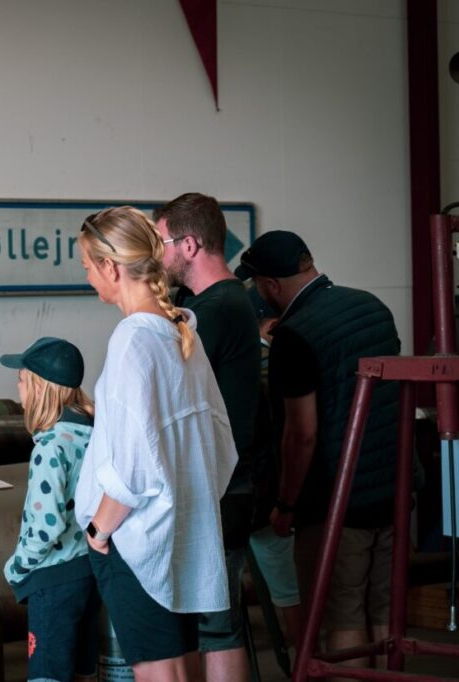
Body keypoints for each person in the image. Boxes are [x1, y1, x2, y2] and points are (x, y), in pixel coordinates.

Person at [74, 206, 238, 681]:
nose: (89, 280)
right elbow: (220, 447)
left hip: (132, 542)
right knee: (182, 669)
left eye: (88, 268)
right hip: (183, 533)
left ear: (111, 267)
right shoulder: (181, 333)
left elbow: (130, 472)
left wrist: (99, 532)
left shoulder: (131, 340)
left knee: (157, 674)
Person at [235, 230, 399, 669]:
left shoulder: (295, 333)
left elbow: (301, 434)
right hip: (395, 491)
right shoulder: (373, 307)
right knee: (385, 614)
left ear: (269, 285)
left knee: (340, 616)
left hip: (337, 501)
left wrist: (286, 504)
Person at [154, 192, 260, 681]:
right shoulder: (222, 302)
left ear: (190, 244)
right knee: (213, 620)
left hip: (220, 488)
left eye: (162, 244)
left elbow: (163, 381)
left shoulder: (213, 311)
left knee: (216, 625)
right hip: (226, 485)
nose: (157, 257)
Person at [0, 336, 100, 682]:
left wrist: (17, 566)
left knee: (48, 673)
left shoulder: (50, 445)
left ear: (40, 389)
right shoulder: (93, 434)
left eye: (22, 380)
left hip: (53, 579)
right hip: (90, 570)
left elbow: (46, 526)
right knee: (83, 671)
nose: (18, 388)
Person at [246, 287, 303, 649]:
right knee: (291, 590)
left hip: (248, 491)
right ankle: (305, 662)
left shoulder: (236, 360)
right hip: (276, 490)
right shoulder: (277, 360)